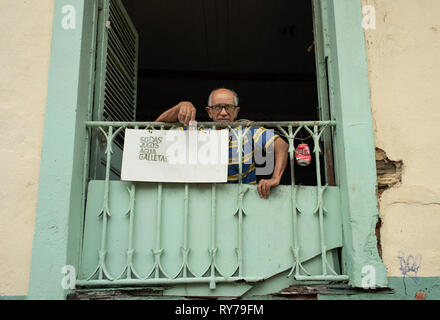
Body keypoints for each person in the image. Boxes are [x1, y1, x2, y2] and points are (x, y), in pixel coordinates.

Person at [155, 88, 289, 199]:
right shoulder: (198, 132)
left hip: (244, 202)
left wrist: (276, 178)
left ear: (236, 112)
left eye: (229, 108)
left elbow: (280, 144)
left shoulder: (247, 131)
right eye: (218, 107)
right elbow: (155, 131)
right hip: (203, 200)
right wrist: (179, 107)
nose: (223, 113)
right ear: (209, 112)